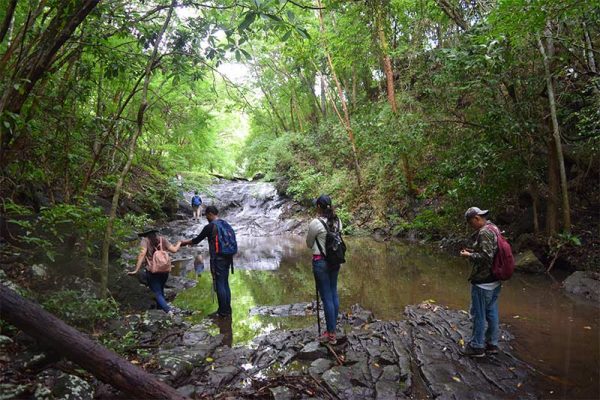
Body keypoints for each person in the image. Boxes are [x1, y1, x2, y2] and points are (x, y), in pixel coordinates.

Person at [459, 207, 501, 357]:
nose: (472, 226)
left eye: (471, 223)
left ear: (477, 218)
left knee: (478, 314)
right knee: (492, 312)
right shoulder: (494, 228)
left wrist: (468, 255)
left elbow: (486, 257)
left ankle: (477, 346)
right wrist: (472, 251)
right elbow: (491, 252)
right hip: (495, 280)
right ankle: (492, 344)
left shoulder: (484, 232)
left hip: (483, 281)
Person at [181, 206, 235, 318]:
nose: (206, 218)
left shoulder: (211, 226)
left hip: (217, 259)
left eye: (206, 215)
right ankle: (227, 310)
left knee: (220, 283)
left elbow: (197, 240)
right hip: (228, 257)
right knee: (225, 283)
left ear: (210, 214)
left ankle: (222, 312)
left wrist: (184, 242)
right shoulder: (225, 224)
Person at [306, 194, 342, 345]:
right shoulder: (338, 221)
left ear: (319, 207)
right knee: (333, 293)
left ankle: (331, 334)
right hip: (335, 261)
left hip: (320, 263)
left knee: (326, 297)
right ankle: (333, 329)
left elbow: (309, 243)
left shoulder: (316, 223)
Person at [128, 227, 181, 315]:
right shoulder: (162, 239)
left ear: (145, 234)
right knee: (161, 289)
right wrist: (179, 243)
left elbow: (142, 254)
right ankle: (161, 309)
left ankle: (168, 310)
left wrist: (136, 270)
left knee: (157, 292)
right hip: (165, 270)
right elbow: (174, 250)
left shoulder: (145, 241)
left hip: (152, 271)